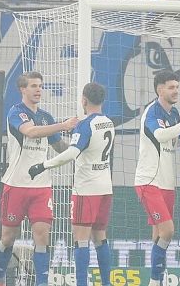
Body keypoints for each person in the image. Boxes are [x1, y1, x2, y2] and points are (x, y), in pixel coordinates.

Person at [0, 72, 78, 286]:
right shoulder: (16, 112)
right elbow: (30, 132)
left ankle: (41, 283)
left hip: (41, 187)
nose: (38, 90)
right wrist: (63, 125)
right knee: (8, 238)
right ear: (23, 89)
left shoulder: (46, 117)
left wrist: (79, 150)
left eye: (40, 86)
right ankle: (0, 276)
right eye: (33, 86)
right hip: (16, 185)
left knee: (42, 235)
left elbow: (60, 148)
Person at [28, 83, 115, 286]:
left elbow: (71, 154)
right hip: (105, 187)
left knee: (81, 239)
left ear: (84, 100)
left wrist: (44, 165)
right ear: (102, 100)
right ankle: (106, 283)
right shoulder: (108, 122)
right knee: (100, 237)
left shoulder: (86, 125)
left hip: (86, 189)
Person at [135, 71, 180, 286]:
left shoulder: (174, 114)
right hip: (149, 180)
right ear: (159, 89)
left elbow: (172, 143)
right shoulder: (152, 111)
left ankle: (157, 277)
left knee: (158, 233)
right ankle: (155, 281)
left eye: (177, 86)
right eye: (171, 87)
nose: (175, 91)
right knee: (168, 230)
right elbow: (159, 135)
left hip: (167, 182)